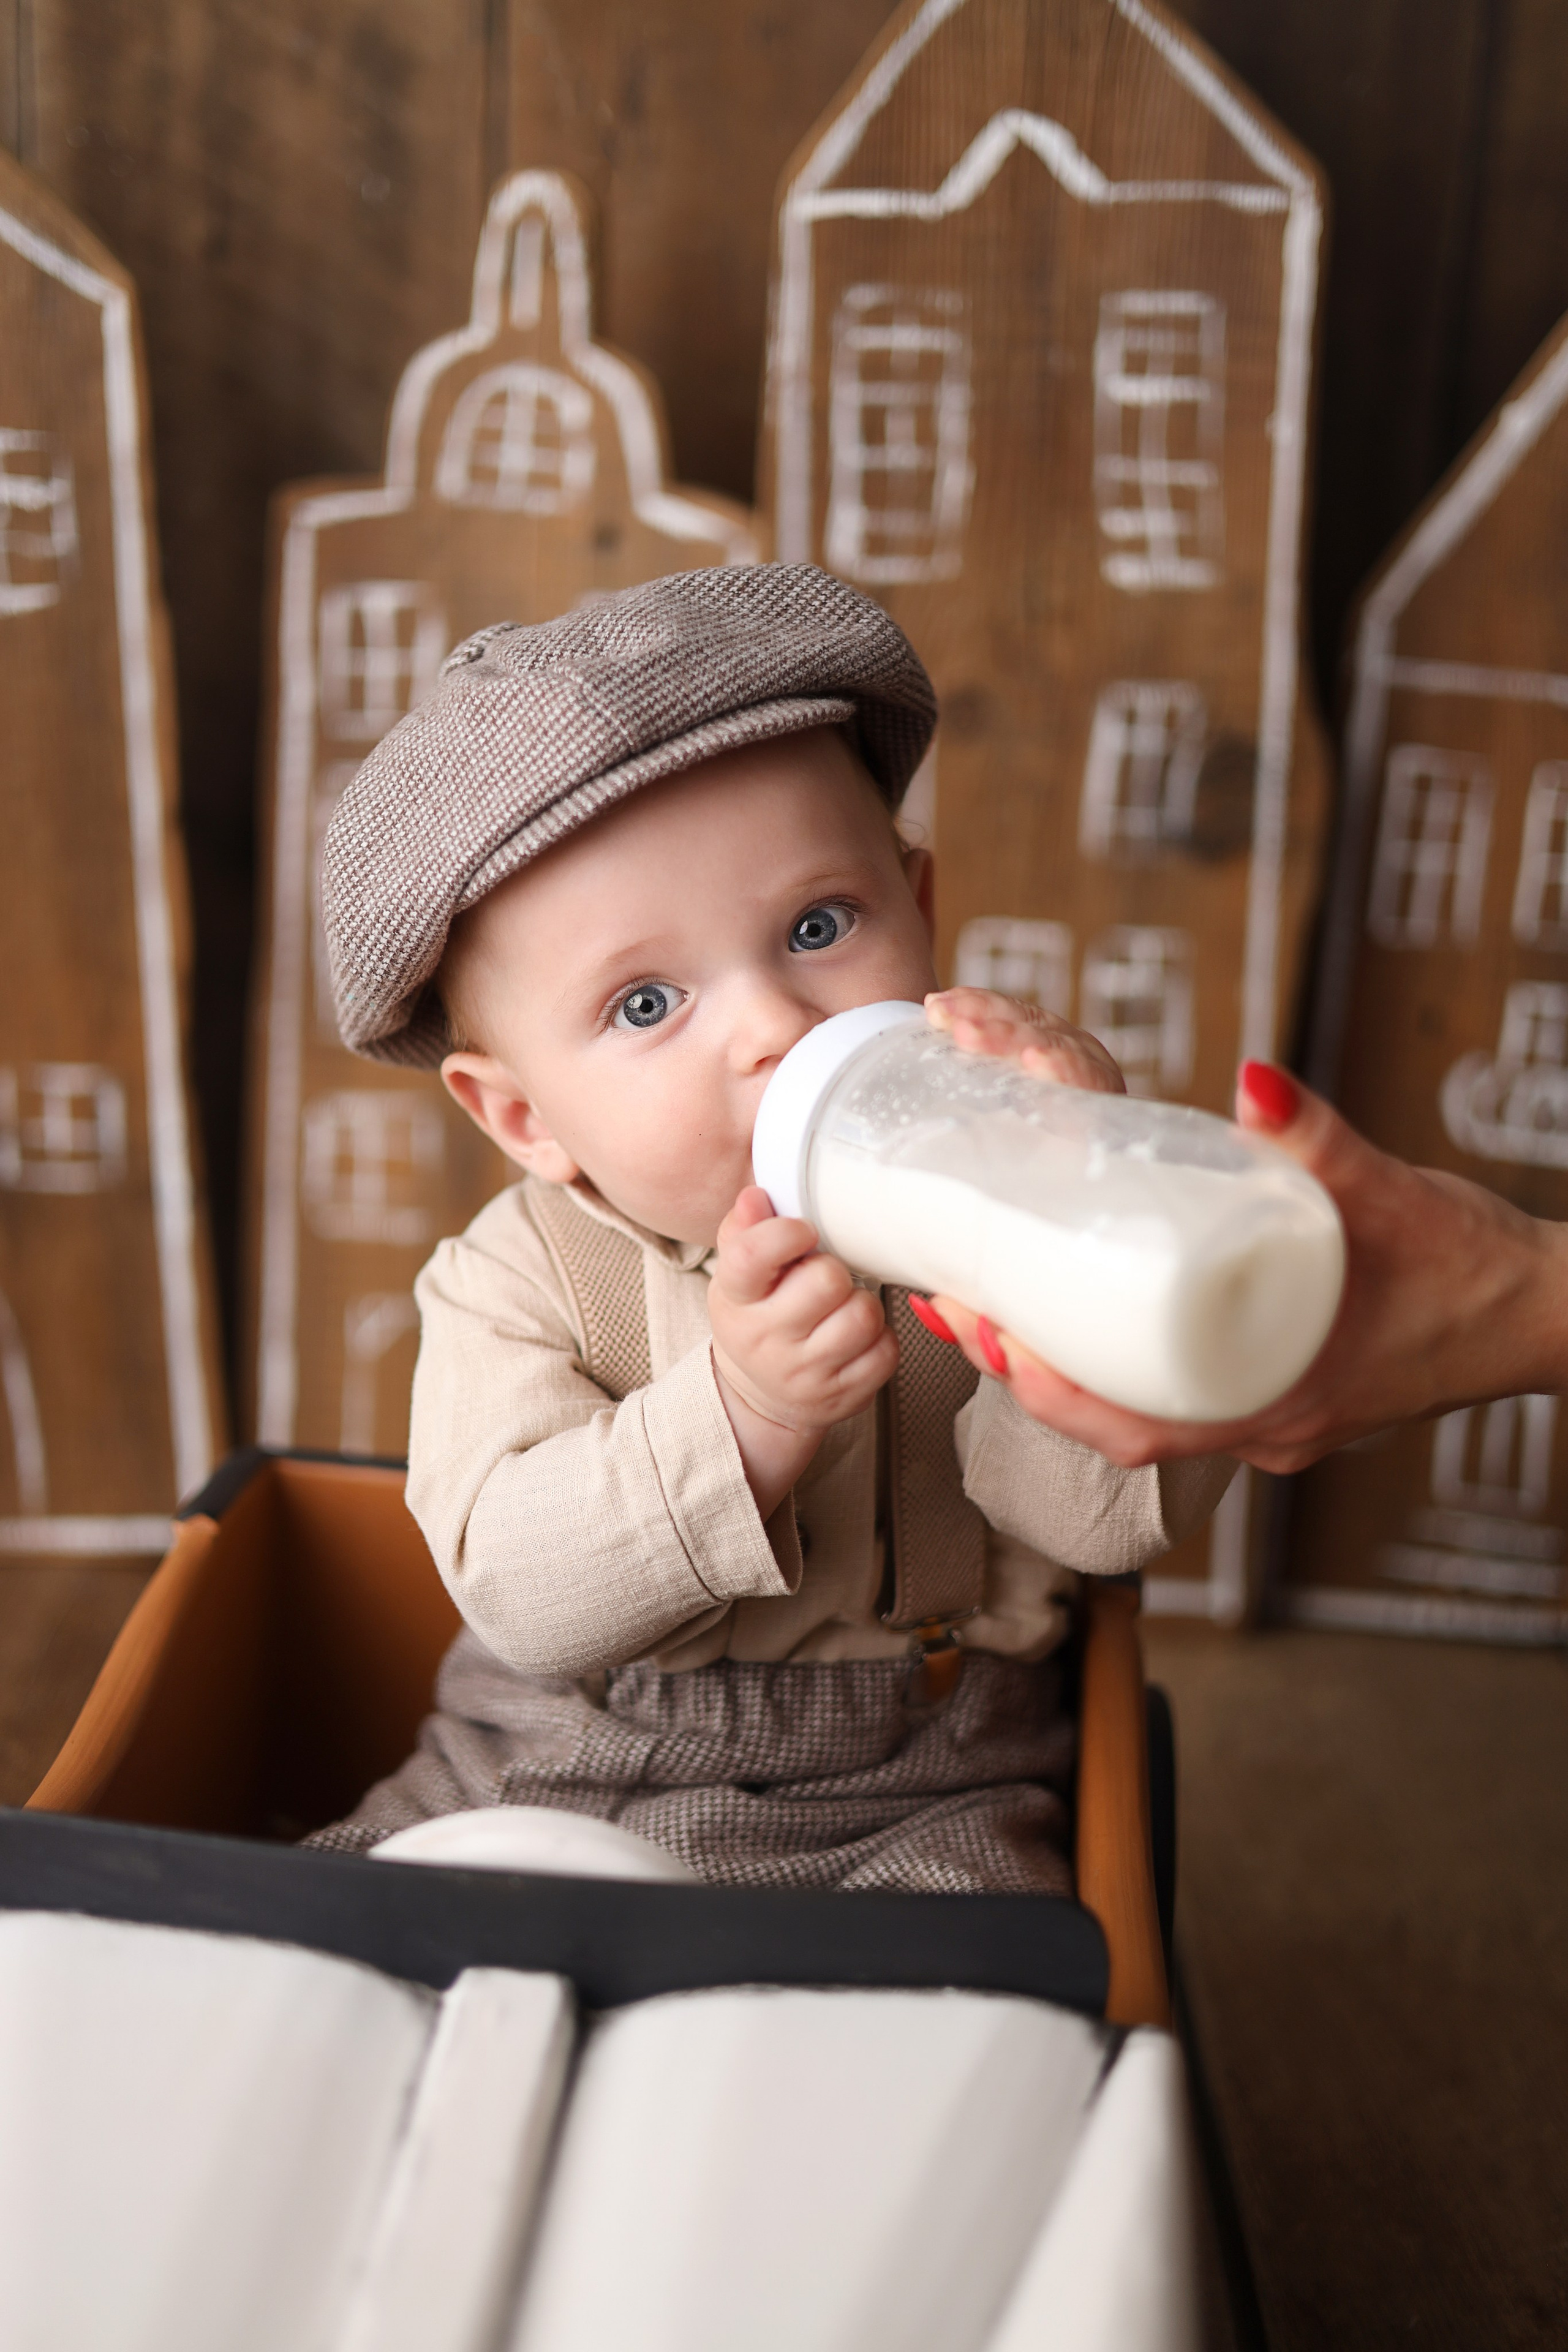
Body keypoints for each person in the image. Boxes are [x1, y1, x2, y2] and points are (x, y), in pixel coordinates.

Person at [306, 562, 1235, 1893]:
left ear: (919, 915)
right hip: (553, 1757)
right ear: (521, 1117)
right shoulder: (513, 1282)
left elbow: (1097, 1525)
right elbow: (517, 1590)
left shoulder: (987, 1197)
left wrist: (1071, 1213)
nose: (771, 1029)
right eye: (644, 1006)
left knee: (974, 2006)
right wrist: (738, 1418)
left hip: (926, 1774)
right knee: (327, 1927)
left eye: (816, 926)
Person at [920, 1052, 1568, 1471]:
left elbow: (1094, 1535)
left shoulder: (1015, 1071)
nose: (811, 1015)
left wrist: (1516, 1291)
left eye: (825, 927)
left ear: (920, 902)